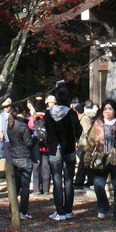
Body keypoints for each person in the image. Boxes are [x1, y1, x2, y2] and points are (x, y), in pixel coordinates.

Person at [44, 88, 82, 221]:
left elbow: (47, 130)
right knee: (69, 180)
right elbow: (78, 129)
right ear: (68, 99)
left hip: (54, 149)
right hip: (69, 148)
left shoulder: (49, 113)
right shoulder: (70, 113)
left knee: (57, 180)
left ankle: (59, 211)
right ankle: (68, 210)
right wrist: (74, 137)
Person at [7, 101, 36, 220]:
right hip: (24, 156)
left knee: (15, 186)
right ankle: (23, 211)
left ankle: (13, 210)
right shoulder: (23, 126)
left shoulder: (10, 124)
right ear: (23, 112)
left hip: (14, 157)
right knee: (25, 187)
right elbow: (28, 143)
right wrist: (35, 139)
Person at [74, 100, 97, 188]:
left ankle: (80, 181)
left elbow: (88, 132)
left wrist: (88, 144)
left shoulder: (84, 119)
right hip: (82, 144)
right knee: (84, 163)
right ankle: (88, 180)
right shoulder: (81, 119)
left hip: (85, 144)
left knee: (84, 163)